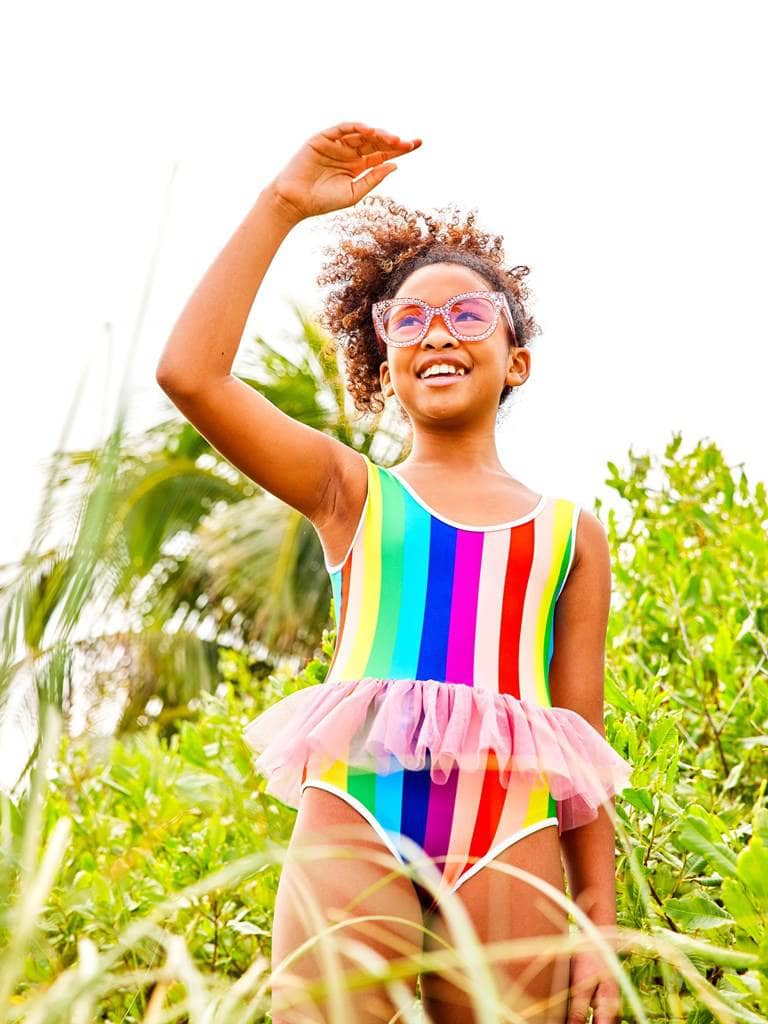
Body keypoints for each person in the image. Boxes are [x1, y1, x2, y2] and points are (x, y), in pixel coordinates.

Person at [156, 121, 633, 1024]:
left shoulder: (573, 534)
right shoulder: (350, 492)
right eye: (407, 319)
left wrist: (600, 928)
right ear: (385, 362)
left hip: (514, 831)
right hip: (357, 814)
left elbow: (582, 741)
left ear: (515, 358)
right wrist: (283, 205)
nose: (437, 333)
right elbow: (191, 376)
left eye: (469, 314)